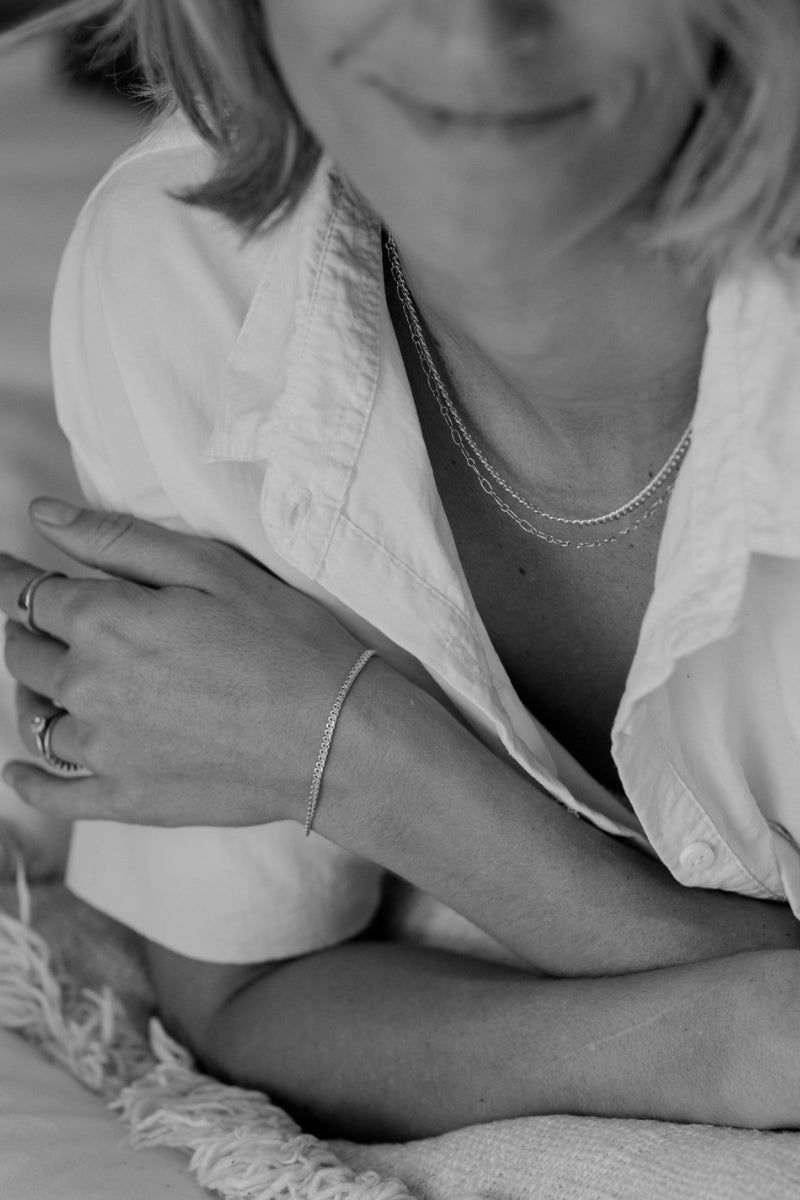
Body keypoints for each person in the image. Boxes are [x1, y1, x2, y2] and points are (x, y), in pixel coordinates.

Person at [2, 0, 800, 1141]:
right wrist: (726, 1044)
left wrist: (353, 758)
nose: (475, 32)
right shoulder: (185, 259)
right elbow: (246, 990)